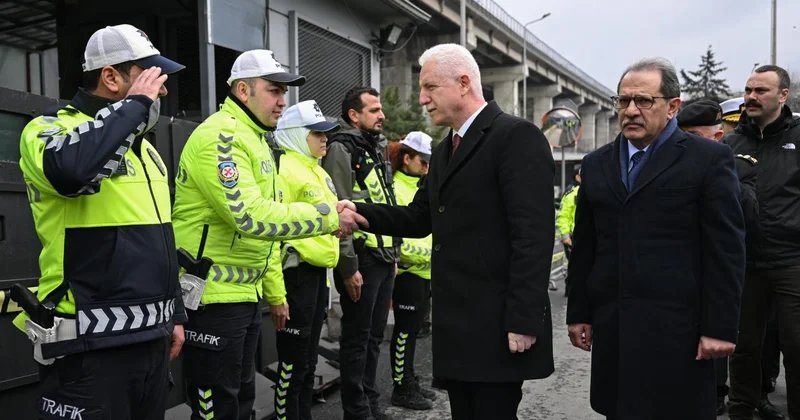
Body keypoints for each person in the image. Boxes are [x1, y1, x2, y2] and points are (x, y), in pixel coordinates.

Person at [350, 43, 556, 420]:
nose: (423, 99)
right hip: (459, 326)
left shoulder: (515, 137)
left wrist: (523, 320)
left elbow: (533, 237)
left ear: (463, 83)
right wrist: (358, 212)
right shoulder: (447, 151)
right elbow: (418, 218)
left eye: (430, 87)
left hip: (497, 324)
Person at [172, 50, 366, 420]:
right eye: (275, 91)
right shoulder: (221, 137)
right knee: (220, 407)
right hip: (213, 298)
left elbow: (270, 228)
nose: (282, 101)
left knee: (241, 400)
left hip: (242, 294)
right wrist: (327, 217)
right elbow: (251, 217)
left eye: (284, 92)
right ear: (243, 90)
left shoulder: (257, 139)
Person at [16, 24, 187, 419]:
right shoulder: (48, 129)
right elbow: (72, 172)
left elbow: (160, 240)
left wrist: (174, 314)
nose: (160, 90)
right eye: (149, 76)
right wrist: (134, 106)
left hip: (152, 340)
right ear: (110, 76)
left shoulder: (147, 151)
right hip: (88, 345)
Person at [566, 57, 745, 420]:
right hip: (614, 329)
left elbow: (725, 249)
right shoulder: (598, 163)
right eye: (623, 101)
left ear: (672, 107)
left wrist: (720, 327)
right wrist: (579, 312)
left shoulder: (708, 159)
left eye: (643, 101)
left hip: (678, 331)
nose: (631, 110)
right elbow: (587, 246)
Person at [724, 64, 800, 420]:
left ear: (783, 95)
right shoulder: (732, 143)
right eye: (748, 90)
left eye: (760, 91)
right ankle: (742, 408)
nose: (751, 97)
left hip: (791, 261)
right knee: (743, 344)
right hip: (746, 262)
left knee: (795, 344)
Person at [677, 99, 762, 415]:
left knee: (716, 344)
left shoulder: (737, 165)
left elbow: (747, 216)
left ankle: (717, 396)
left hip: (716, 270)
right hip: (680, 274)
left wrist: (722, 176)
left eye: (694, 135)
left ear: (716, 137)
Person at [321, 87, 400, 420]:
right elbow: (339, 211)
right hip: (362, 259)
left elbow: (387, 202)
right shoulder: (342, 147)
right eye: (374, 110)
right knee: (357, 337)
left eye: (381, 109)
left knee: (374, 336)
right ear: (354, 115)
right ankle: (357, 411)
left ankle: (369, 401)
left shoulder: (376, 147)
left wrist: (394, 253)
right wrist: (348, 265)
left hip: (383, 257)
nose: (381, 115)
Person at [271, 99, 342, 420]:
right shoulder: (285, 170)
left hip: (315, 275)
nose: (325, 138)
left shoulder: (314, 169)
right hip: (294, 276)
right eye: (317, 133)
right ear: (297, 135)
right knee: (293, 365)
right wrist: (277, 294)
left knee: (308, 362)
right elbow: (274, 232)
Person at [384, 132, 438, 411]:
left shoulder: (421, 186)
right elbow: (399, 240)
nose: (427, 166)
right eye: (423, 161)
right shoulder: (395, 188)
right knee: (404, 332)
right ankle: (401, 388)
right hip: (408, 274)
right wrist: (430, 256)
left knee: (414, 330)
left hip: (425, 273)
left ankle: (409, 380)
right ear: (407, 158)